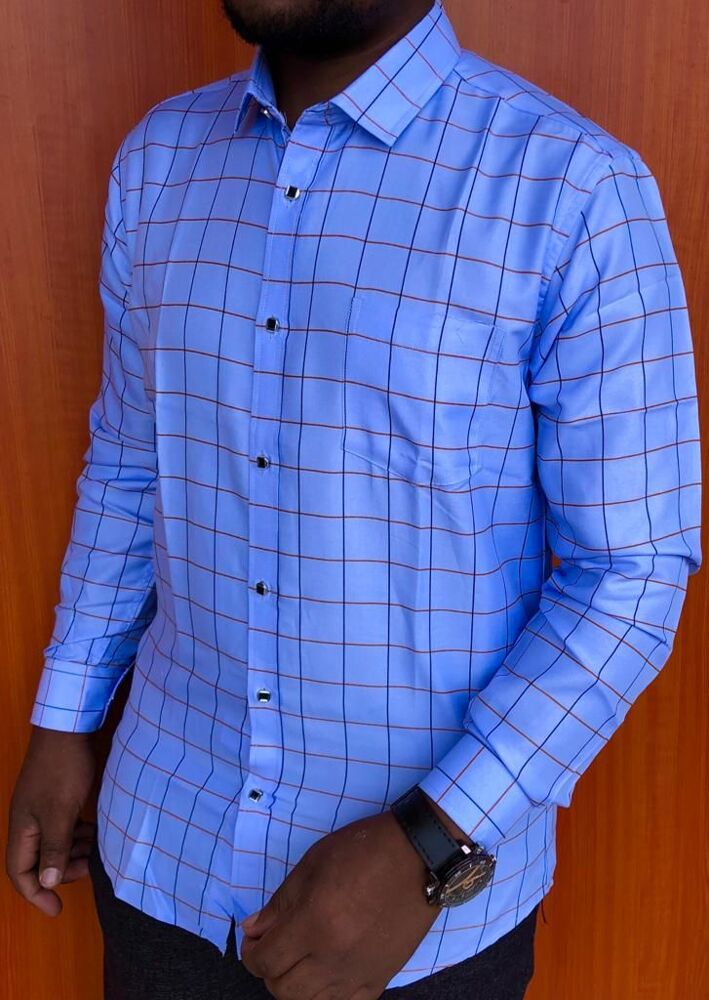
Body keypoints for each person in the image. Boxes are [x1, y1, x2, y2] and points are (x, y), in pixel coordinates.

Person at [6, 0, 702, 997]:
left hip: (420, 925)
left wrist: (433, 840)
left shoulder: (572, 190)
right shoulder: (159, 161)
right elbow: (129, 463)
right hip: (162, 858)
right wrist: (65, 719)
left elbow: (628, 573)